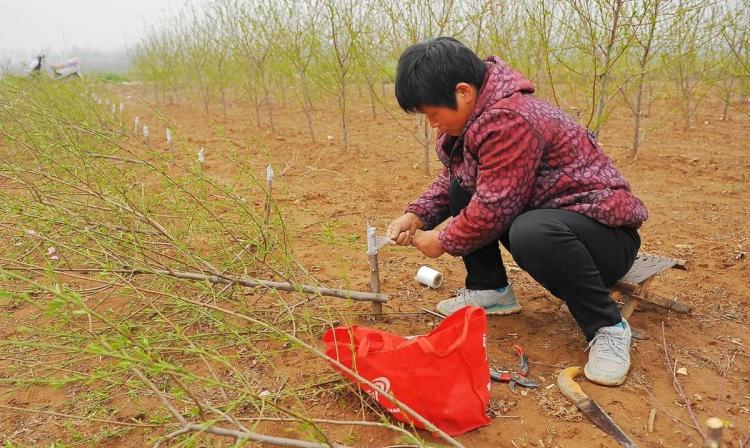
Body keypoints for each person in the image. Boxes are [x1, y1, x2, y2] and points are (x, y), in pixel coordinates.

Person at [386, 37, 648, 386]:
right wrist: (417, 215)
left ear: (463, 92)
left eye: (433, 114)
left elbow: (495, 207)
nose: (432, 124)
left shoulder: (509, 120)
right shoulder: (477, 117)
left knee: (531, 231)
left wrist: (444, 240)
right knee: (466, 188)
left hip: (605, 239)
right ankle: (490, 289)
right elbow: (461, 179)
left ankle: (608, 326)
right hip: (559, 222)